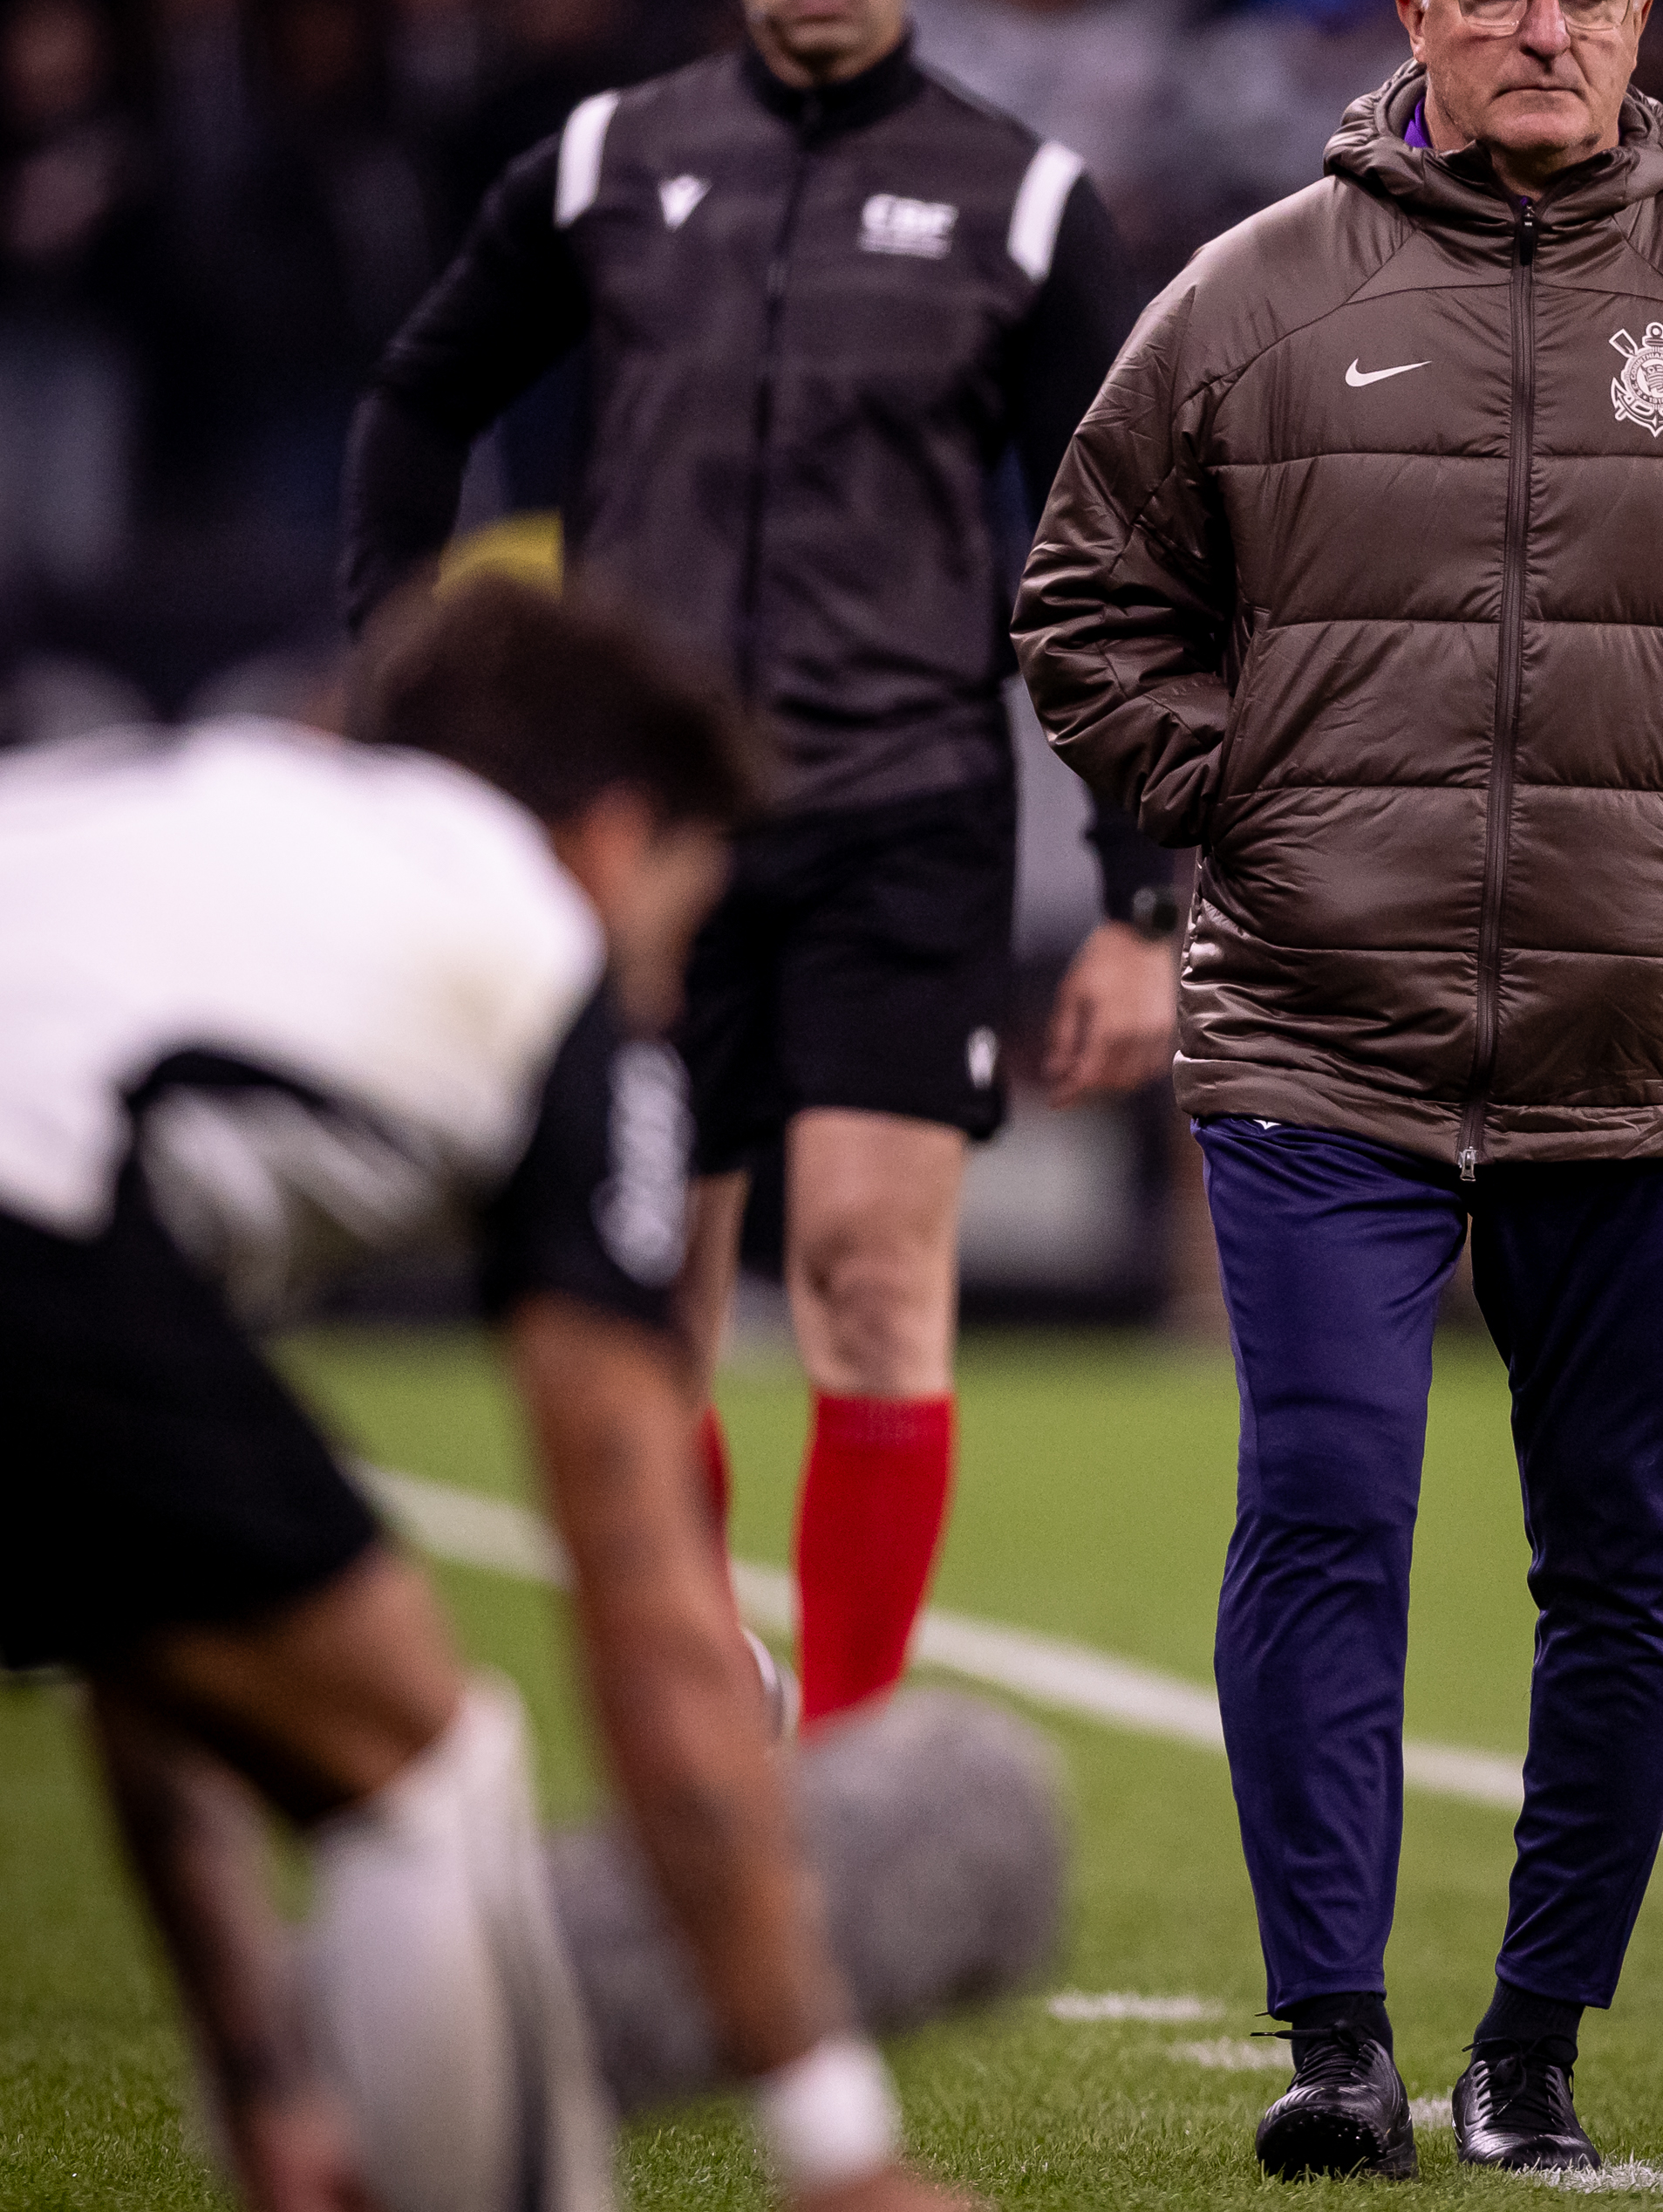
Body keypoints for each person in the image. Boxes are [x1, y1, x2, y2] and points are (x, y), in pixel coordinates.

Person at [1015, 0, 1663, 2181]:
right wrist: (1251, 797)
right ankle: (1336, 2036)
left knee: (1623, 1568)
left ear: (1645, 19)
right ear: (1412, 11)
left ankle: (1532, 2042)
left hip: (1634, 1044)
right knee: (1324, 1499)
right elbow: (1083, 602)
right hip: (1316, 1027)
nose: (1547, 29)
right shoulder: (1243, 295)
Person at [341, 0, 1181, 1731]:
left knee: (871, 1281)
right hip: (659, 844)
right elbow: (419, 395)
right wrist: (393, 671)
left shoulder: (1027, 201)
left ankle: (858, 1759)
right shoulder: (604, 165)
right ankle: (721, 1689)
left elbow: (1117, 550)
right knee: (659, 1309)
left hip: (905, 814)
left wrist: (1140, 892)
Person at [0, 580, 962, 2212]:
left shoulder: (176, 829)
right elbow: (654, 1622)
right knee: (432, 1788)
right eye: (684, 910)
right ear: (607, 836)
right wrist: (833, 2143)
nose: (666, 983)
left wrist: (257, 2075)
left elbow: (154, 1605)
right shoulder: (533, 952)